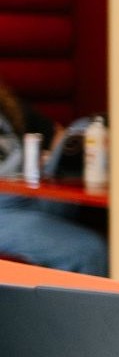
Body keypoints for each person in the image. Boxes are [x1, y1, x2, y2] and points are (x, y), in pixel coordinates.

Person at [0, 82, 108, 276]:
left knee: (84, 127)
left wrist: (48, 156)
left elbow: (56, 134)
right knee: (90, 251)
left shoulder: (5, 103)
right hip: (4, 209)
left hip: (34, 192)